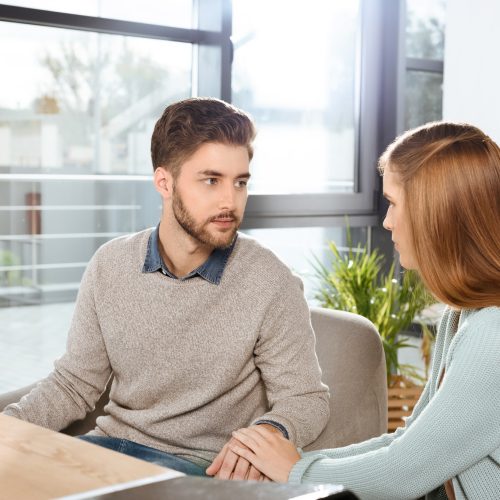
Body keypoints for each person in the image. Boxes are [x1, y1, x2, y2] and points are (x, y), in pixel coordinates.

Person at [3, 97, 329, 480]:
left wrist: (269, 432)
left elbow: (305, 399)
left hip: (191, 469)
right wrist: (11, 426)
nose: (230, 201)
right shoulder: (110, 265)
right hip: (103, 449)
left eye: (240, 182)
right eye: (211, 180)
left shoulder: (270, 281)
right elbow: (75, 383)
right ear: (164, 182)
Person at [227, 121, 500, 499]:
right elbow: (406, 443)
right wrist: (298, 463)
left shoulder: (493, 333)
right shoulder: (463, 313)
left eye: (393, 203)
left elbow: (400, 474)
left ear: (436, 214)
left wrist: (294, 468)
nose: (386, 222)